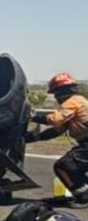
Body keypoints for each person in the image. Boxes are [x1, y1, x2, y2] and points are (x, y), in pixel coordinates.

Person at [26, 73, 88, 204]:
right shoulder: (76, 103)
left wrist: (32, 116)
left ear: (63, 91)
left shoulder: (74, 101)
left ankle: (83, 197)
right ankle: (82, 194)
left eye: (56, 92)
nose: (56, 96)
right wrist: (30, 138)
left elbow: (55, 119)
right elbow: (56, 131)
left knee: (64, 166)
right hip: (85, 143)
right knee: (75, 168)